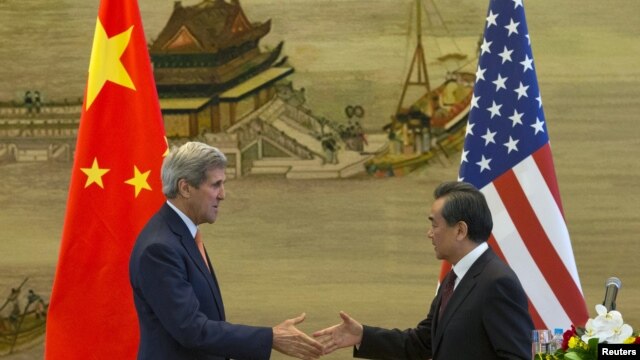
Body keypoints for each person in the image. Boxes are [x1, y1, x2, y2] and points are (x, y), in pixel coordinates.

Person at [129, 141, 324, 360]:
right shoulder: (159, 248)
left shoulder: (182, 234)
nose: (222, 194)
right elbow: (192, 330)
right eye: (215, 185)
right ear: (185, 188)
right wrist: (271, 338)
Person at [313, 181, 534, 359]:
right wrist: (363, 335)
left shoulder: (496, 282)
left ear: (460, 230)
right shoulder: (455, 278)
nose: (430, 233)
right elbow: (423, 342)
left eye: (435, 225)